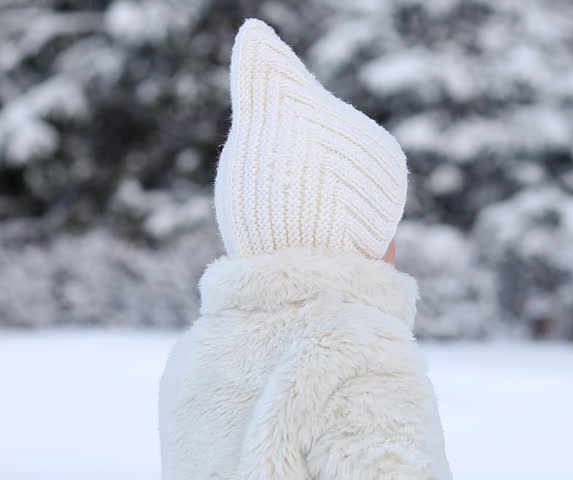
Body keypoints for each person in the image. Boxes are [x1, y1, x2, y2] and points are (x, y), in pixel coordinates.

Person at [158, 19, 452, 480]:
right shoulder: (358, 352)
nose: (394, 246)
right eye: (385, 227)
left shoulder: (197, 354)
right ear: (346, 235)